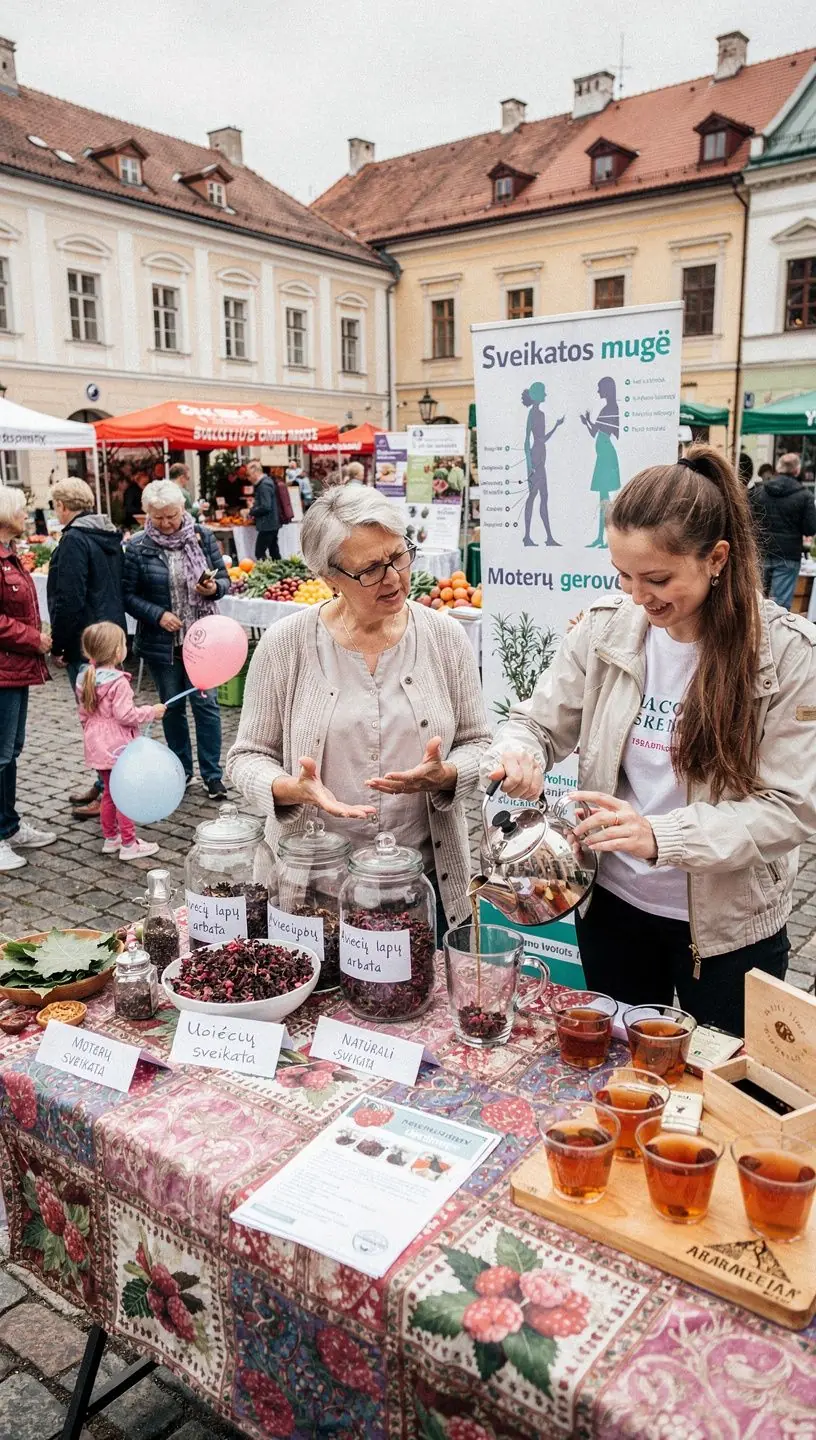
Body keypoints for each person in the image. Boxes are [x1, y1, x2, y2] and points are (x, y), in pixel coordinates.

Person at [485, 445, 816, 1037]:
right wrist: (520, 752)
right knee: (618, 1078)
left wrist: (660, 835)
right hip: (612, 907)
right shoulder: (608, 627)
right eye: (623, 576)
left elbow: (791, 809)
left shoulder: (787, 654)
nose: (639, 597)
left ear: (716, 558)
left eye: (658, 578)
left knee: (719, 1094)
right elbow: (535, 721)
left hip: (727, 929)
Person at [227, 486, 491, 931]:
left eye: (398, 556)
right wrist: (288, 788)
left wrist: (449, 775)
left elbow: (478, 742)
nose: (393, 578)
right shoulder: (285, 644)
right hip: (314, 891)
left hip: (421, 884)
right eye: (370, 569)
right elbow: (245, 757)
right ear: (329, 577)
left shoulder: (445, 638)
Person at [123, 479, 230, 798]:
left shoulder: (202, 536)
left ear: (182, 510)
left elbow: (224, 579)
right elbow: (127, 595)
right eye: (158, 518)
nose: (167, 523)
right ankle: (182, 770)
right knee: (172, 706)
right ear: (147, 516)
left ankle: (212, 774)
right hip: (162, 642)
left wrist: (214, 589)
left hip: (202, 637)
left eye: (171, 515)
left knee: (207, 705)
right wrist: (157, 614)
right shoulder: (139, 545)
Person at [47, 477, 127, 820]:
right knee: (110, 719)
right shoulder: (107, 534)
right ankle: (103, 784)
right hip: (110, 635)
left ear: (64, 507)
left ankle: (110, 791)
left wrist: (62, 644)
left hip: (87, 642)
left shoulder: (75, 540)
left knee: (97, 722)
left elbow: (69, 598)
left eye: (56, 506)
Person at [0, 484, 55, 871]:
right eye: (21, 510)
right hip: (4, 669)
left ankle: (10, 824)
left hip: (15, 668)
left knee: (11, 751)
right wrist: (35, 639)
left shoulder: (10, 556)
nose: (25, 516)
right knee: (0, 755)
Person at [76, 622, 164, 861]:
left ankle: (111, 838)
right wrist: (151, 712)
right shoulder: (118, 682)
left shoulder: (85, 677)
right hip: (117, 747)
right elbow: (125, 716)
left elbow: (83, 715)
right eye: (124, 643)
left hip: (97, 745)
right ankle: (129, 844)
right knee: (123, 794)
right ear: (117, 652)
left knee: (108, 793)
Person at [749, 452, 816, 611]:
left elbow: (747, 520)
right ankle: (773, 635)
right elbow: (810, 529)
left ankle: (754, 634)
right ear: (797, 470)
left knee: (754, 601)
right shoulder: (804, 496)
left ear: (777, 468)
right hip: (788, 554)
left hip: (761, 550)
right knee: (779, 608)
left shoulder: (758, 492)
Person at [522, 383, 563, 547]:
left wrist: (556, 426)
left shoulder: (540, 414)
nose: (546, 396)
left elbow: (541, 439)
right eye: (543, 393)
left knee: (543, 497)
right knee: (533, 497)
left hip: (540, 459)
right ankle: (527, 537)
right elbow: (527, 440)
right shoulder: (533, 414)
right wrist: (529, 465)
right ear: (538, 395)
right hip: (536, 460)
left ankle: (548, 538)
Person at [581, 376, 620, 549]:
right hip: (603, 455)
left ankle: (605, 539)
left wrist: (590, 422)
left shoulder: (611, 407)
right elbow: (594, 432)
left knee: (605, 501)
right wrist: (587, 421)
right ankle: (600, 538)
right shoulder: (607, 408)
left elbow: (602, 430)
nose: (597, 391)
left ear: (606, 389)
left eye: (599, 388)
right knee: (602, 500)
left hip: (606, 455)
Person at [248, 460, 280, 560]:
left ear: (255, 472)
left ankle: (266, 572)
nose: (248, 478)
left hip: (267, 524)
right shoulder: (266, 483)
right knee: (274, 551)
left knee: (260, 552)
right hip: (271, 523)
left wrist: (252, 511)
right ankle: (279, 573)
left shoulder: (264, 485)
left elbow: (266, 506)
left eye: (249, 475)